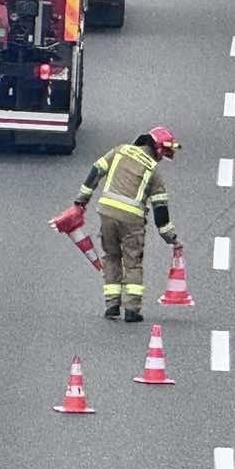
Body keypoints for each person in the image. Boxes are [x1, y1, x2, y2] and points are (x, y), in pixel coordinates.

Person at [67, 126, 180, 322]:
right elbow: (160, 211)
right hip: (132, 220)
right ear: (158, 150)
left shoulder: (120, 151)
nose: (162, 159)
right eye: (163, 154)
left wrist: (81, 201)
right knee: (133, 263)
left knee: (111, 257)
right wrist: (172, 239)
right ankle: (132, 310)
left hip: (107, 213)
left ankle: (112, 306)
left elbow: (96, 171)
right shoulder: (153, 171)